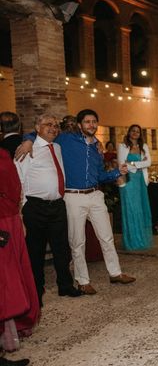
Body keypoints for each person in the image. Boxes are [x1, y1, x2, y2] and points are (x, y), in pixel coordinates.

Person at [16, 109, 136, 295]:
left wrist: (117, 172)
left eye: (94, 121)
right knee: (77, 241)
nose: (91, 125)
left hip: (95, 195)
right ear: (80, 125)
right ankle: (82, 281)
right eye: (87, 122)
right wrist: (28, 139)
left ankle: (115, 273)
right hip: (73, 197)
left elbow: (100, 175)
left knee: (106, 237)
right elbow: (42, 133)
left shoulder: (97, 149)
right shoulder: (65, 140)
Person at [15, 113, 82, 306]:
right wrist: (22, 209)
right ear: (37, 127)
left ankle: (65, 285)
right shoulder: (28, 148)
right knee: (35, 252)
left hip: (57, 206)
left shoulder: (58, 147)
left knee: (61, 248)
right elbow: (19, 179)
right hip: (35, 207)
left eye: (55, 125)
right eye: (48, 125)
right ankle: (36, 291)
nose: (53, 128)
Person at [0, 147, 39, 366]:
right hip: (2, 222)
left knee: (11, 279)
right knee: (5, 283)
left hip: (11, 219)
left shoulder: (4, 153)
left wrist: (20, 218)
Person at [117, 124, 153, 251]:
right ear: (129, 132)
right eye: (133, 131)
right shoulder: (122, 146)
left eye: (137, 131)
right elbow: (122, 165)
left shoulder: (144, 147)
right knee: (131, 209)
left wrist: (132, 163)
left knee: (140, 209)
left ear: (140, 134)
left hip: (141, 182)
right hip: (128, 181)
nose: (135, 133)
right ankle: (131, 241)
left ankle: (140, 240)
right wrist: (139, 164)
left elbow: (149, 162)